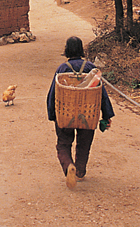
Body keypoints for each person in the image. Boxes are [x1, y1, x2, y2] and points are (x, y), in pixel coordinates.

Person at [46, 36, 114, 189]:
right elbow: (101, 94)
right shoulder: (91, 68)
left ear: (67, 50)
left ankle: (69, 166)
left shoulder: (62, 69)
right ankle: (80, 172)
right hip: (88, 115)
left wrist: (53, 115)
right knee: (84, 144)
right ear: (81, 49)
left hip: (65, 114)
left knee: (63, 144)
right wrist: (107, 115)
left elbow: (53, 93)